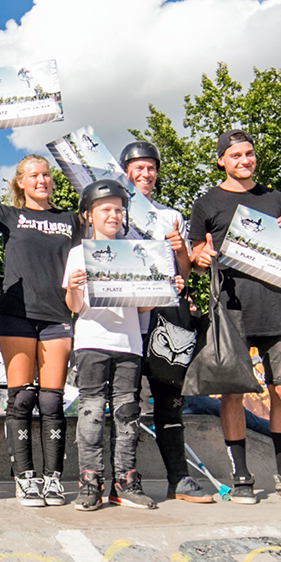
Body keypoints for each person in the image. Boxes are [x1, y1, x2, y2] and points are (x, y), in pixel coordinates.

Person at [188, 128, 281, 507]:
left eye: (249, 154)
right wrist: (199, 258)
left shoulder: (275, 199)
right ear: (221, 161)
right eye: (235, 155)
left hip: (276, 305)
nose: (244, 160)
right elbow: (196, 256)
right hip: (231, 308)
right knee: (233, 392)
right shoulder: (206, 203)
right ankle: (241, 477)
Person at [0, 118, 79, 507]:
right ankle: (25, 478)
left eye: (46, 175)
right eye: (34, 175)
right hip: (17, 315)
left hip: (58, 316)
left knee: (52, 401)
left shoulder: (71, 220)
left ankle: (53, 478)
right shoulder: (10, 215)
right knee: (22, 399)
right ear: (20, 182)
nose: (42, 180)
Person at [62, 179, 175, 510]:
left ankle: (125, 482)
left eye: (118, 210)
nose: (113, 215)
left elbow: (141, 307)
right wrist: (73, 287)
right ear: (89, 215)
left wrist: (164, 289)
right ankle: (90, 482)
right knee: (92, 410)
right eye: (106, 210)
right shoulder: (78, 253)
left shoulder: (136, 253)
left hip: (129, 342)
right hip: (91, 340)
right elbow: (74, 306)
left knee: (127, 411)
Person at [119, 139, 214, 504]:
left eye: (151, 168)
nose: (145, 174)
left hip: (165, 320)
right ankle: (124, 480)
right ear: (125, 172)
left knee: (170, 400)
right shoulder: (113, 210)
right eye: (138, 168)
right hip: (126, 319)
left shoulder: (170, 215)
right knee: (125, 402)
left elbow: (184, 274)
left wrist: (179, 251)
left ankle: (179, 478)